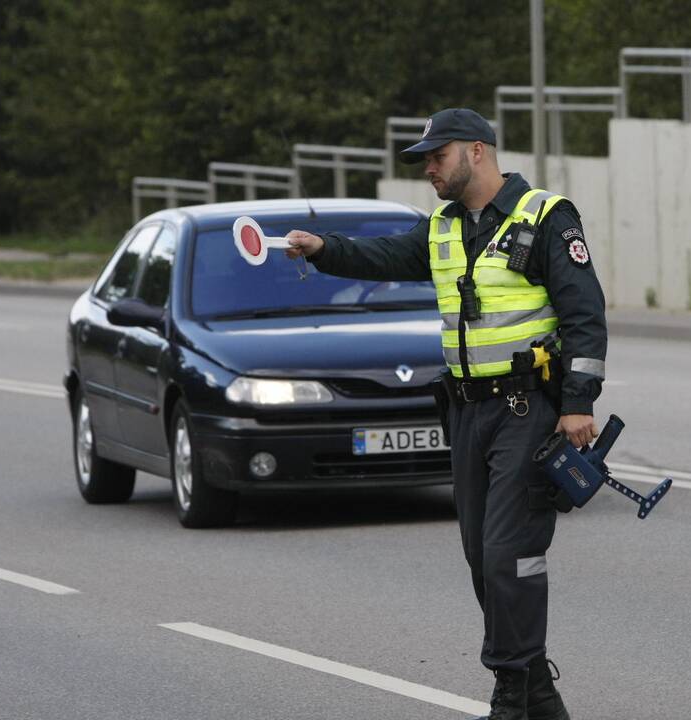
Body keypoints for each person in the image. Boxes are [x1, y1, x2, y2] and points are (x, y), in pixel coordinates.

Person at [285, 108, 607, 720]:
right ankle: (537, 690)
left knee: (508, 553)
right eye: (424, 159)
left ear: (478, 152)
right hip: (466, 413)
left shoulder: (545, 218)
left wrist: (576, 406)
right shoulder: (441, 228)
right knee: (478, 557)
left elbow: (585, 315)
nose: (428, 167)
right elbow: (381, 257)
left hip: (526, 410)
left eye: (437, 155)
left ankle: (510, 696)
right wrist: (323, 249)